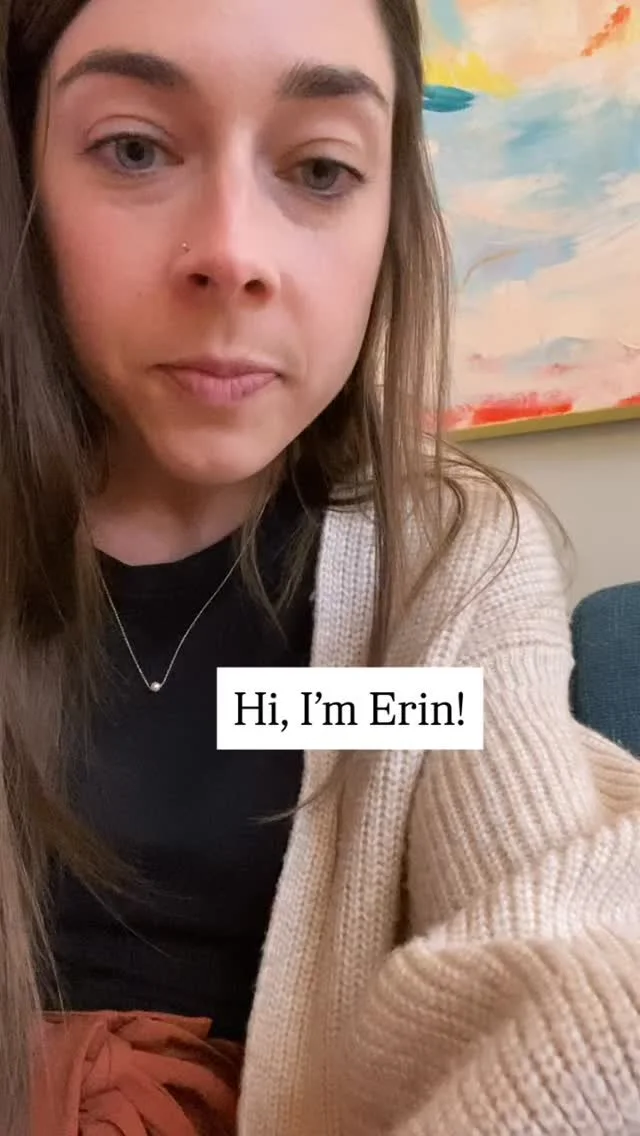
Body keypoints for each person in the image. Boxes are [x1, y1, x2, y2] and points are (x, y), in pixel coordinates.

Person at [1, 0, 640, 1133]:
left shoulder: (444, 568)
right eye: (135, 148)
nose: (233, 255)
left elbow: (549, 932)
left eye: (321, 168)